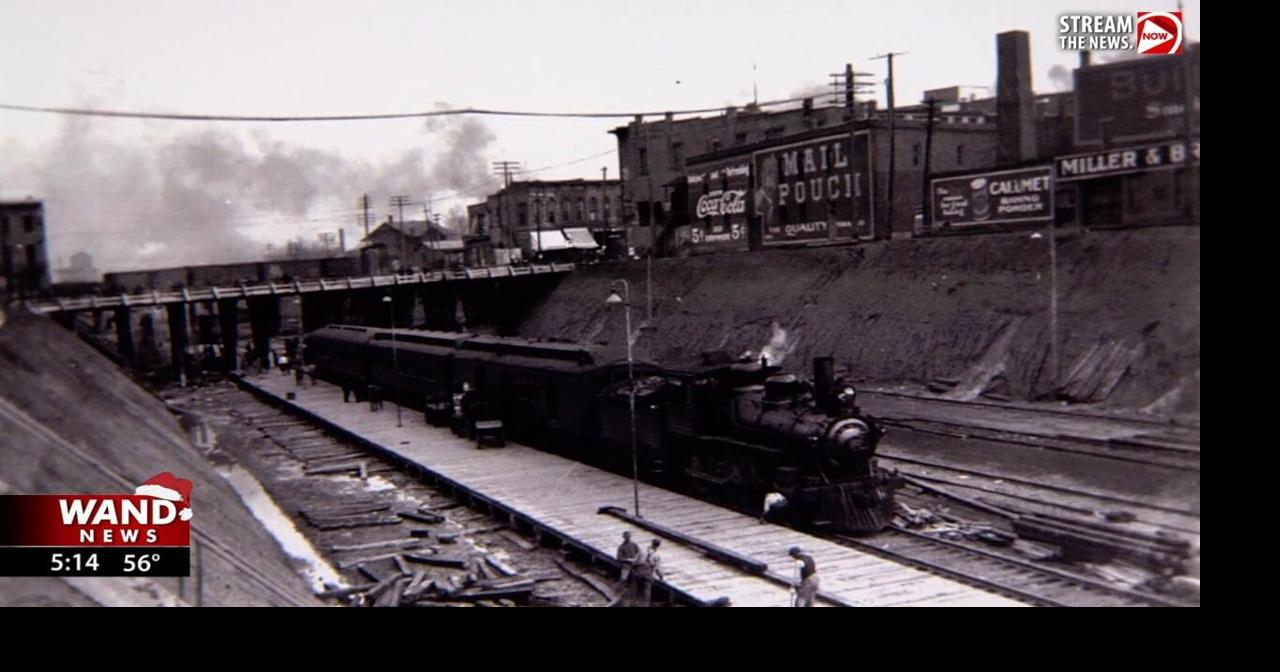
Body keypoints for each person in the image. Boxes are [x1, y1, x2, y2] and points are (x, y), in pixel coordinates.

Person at [635, 539, 664, 605]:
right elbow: (657, 568)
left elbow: (636, 560)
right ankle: (645, 604)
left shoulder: (642, 550)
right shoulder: (657, 555)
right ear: (658, 546)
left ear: (651, 543)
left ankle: (636, 602)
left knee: (637, 589)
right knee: (647, 591)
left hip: (638, 572)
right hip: (648, 574)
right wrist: (661, 577)